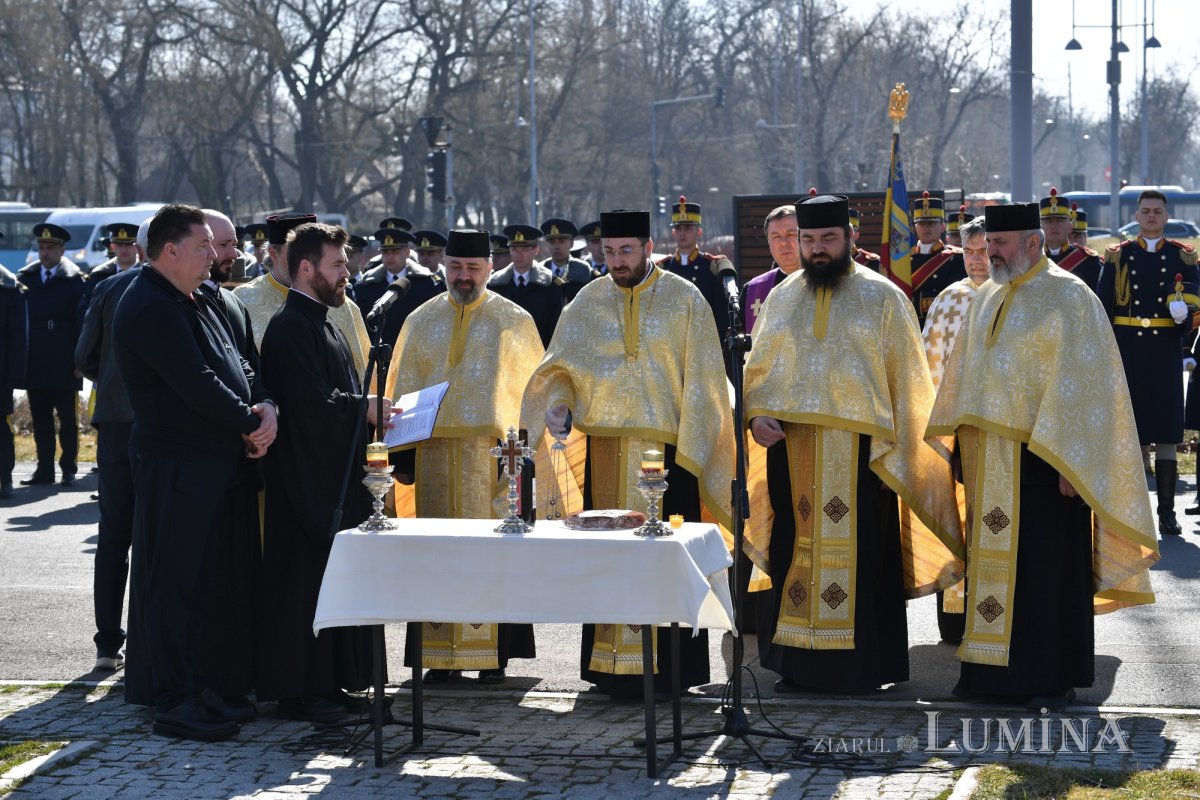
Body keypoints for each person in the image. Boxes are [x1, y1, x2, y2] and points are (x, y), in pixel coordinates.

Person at [929, 202, 1158, 707]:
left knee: (1045, 572)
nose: (991, 252)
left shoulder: (1070, 296)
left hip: (1047, 464)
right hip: (990, 460)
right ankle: (986, 677)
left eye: (1001, 244)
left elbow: (1087, 385)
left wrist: (1073, 464)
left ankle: (1048, 679)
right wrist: (961, 446)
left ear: (1032, 243)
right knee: (990, 571)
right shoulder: (985, 297)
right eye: (988, 244)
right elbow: (966, 375)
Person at [742, 194, 962, 695]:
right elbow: (760, 370)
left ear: (849, 239)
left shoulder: (883, 298)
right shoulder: (782, 297)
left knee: (864, 556)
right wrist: (757, 414)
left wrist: (903, 448)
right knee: (793, 548)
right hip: (792, 451)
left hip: (864, 456)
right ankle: (797, 665)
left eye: (827, 239)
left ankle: (863, 667)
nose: (817, 249)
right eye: (809, 240)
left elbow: (908, 382)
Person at [522, 209, 734, 699]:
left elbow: (705, 378)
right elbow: (558, 369)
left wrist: (698, 446)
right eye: (609, 252)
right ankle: (608, 670)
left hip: (669, 456)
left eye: (626, 251)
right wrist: (559, 405)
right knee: (608, 555)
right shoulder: (586, 301)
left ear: (647, 246)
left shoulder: (686, 298)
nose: (616, 261)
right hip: (606, 452)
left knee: (665, 558)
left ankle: (672, 672)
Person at [113, 204, 277, 741]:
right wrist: (248, 424)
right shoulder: (146, 304)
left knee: (212, 585)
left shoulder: (202, 297)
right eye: (205, 246)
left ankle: (207, 689)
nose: (215, 255)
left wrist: (265, 406)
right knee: (174, 584)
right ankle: (174, 701)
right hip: (175, 463)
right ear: (170, 251)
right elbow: (196, 381)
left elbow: (239, 363)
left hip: (217, 462)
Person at [388, 229, 544, 685]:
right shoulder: (419, 319)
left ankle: (493, 653)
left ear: (489, 269)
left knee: (487, 553)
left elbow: (530, 394)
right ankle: (439, 657)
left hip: (493, 458)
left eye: (473, 268)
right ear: (444, 267)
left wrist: (524, 457)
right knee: (438, 553)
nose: (463, 276)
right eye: (455, 267)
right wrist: (402, 455)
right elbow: (402, 387)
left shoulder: (514, 320)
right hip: (434, 455)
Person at [257, 222, 391, 722]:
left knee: (325, 583)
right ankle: (304, 692)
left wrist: (366, 409)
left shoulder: (322, 321)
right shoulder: (291, 327)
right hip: (305, 486)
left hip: (328, 479)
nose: (347, 275)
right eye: (337, 265)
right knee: (303, 586)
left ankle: (330, 684)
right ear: (307, 267)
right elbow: (312, 408)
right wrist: (366, 408)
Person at [1101, 189, 1199, 536]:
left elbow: (1194, 307)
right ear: (1137, 217)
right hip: (1129, 352)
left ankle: (1167, 514)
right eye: (1145, 211)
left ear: (1166, 215)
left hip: (1164, 351)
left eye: (1157, 211)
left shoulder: (1182, 256)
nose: (1152, 216)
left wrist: (1183, 317)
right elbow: (1104, 308)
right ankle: (1133, 514)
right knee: (1133, 433)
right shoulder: (1118, 256)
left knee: (1167, 433)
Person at [920, 214, 991, 645]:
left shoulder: (1017, 295)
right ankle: (956, 617)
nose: (978, 260)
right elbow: (929, 371)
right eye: (969, 252)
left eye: (984, 251)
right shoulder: (950, 300)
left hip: (1005, 440)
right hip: (956, 438)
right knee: (958, 526)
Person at [75, 238, 143, 675]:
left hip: (116, 421)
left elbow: (84, 357)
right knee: (158, 536)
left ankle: (106, 642)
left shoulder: (111, 287)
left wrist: (114, 380)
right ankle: (146, 640)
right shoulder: (178, 290)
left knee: (113, 536)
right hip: (157, 425)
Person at [233, 213, 372, 380]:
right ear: (273, 253)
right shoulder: (242, 301)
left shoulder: (343, 305)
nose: (304, 262)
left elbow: (363, 375)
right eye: (296, 253)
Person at [17, 223, 86, 487]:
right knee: (41, 419)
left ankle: (68, 468)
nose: (45, 253)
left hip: (64, 361)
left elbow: (81, 323)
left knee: (68, 420)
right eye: (41, 248)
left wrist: (80, 361)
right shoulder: (27, 278)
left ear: (61, 250)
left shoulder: (74, 279)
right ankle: (44, 469)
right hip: (36, 360)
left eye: (50, 248)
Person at [353, 227, 444, 348]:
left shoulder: (426, 283)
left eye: (395, 251)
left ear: (407, 252)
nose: (390, 257)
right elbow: (360, 325)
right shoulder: (367, 285)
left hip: (414, 351)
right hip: (377, 354)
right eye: (386, 252)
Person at [658, 195, 733, 338]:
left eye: (688, 228)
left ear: (699, 232)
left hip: (703, 339)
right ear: (673, 232)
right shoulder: (664, 267)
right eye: (678, 228)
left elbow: (721, 313)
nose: (682, 233)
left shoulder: (711, 267)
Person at [488, 224, 564, 348]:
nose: (519, 254)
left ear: (536, 250)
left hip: (538, 355)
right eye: (515, 249)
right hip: (504, 355)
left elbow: (555, 331)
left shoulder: (551, 285)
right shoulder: (495, 285)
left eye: (524, 249)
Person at [909, 192, 967, 329]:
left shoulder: (956, 258)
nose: (926, 227)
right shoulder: (904, 259)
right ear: (915, 227)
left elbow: (954, 298)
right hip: (912, 327)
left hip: (942, 326)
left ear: (942, 226)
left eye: (931, 222)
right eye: (921, 223)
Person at [743, 205, 800, 334]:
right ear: (768, 242)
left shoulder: (824, 284)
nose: (783, 242)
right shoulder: (752, 290)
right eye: (775, 237)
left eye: (791, 234)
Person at [1, 238, 27, 500]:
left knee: (1, 430)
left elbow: (18, 337)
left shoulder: (8, 287)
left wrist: (14, 377)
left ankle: (4, 478)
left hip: (0, 376)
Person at [1040, 188, 1103, 294]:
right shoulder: (1030, 260)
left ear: (1070, 226)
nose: (1054, 226)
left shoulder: (1088, 261)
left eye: (1059, 221)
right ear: (1041, 227)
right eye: (1048, 221)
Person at [540, 218, 598, 302]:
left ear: (571, 243)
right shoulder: (541, 269)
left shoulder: (583, 270)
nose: (556, 247)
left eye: (561, 241)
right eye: (552, 242)